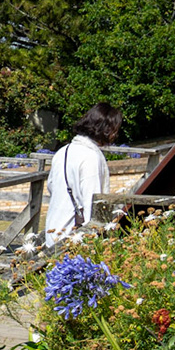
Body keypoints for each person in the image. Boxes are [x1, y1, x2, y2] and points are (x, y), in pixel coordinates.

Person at [44, 103, 122, 245]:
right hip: (74, 239)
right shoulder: (90, 157)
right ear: (105, 129)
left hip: (53, 232)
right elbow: (93, 202)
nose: (115, 135)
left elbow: (51, 187)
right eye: (114, 130)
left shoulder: (63, 152)